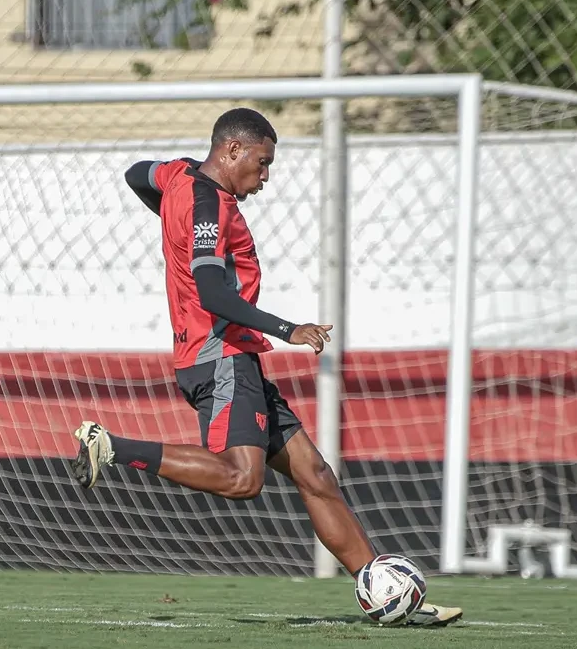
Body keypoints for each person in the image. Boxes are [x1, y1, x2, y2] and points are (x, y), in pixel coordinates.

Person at [70, 107, 462, 627]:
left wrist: (171, 221)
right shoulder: (208, 204)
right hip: (222, 356)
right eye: (261, 162)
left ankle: (384, 588)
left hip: (230, 359)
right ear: (231, 150)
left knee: (316, 473)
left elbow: (136, 173)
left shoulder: (181, 175)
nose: (265, 177)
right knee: (241, 480)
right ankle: (113, 447)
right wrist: (288, 329)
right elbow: (211, 290)